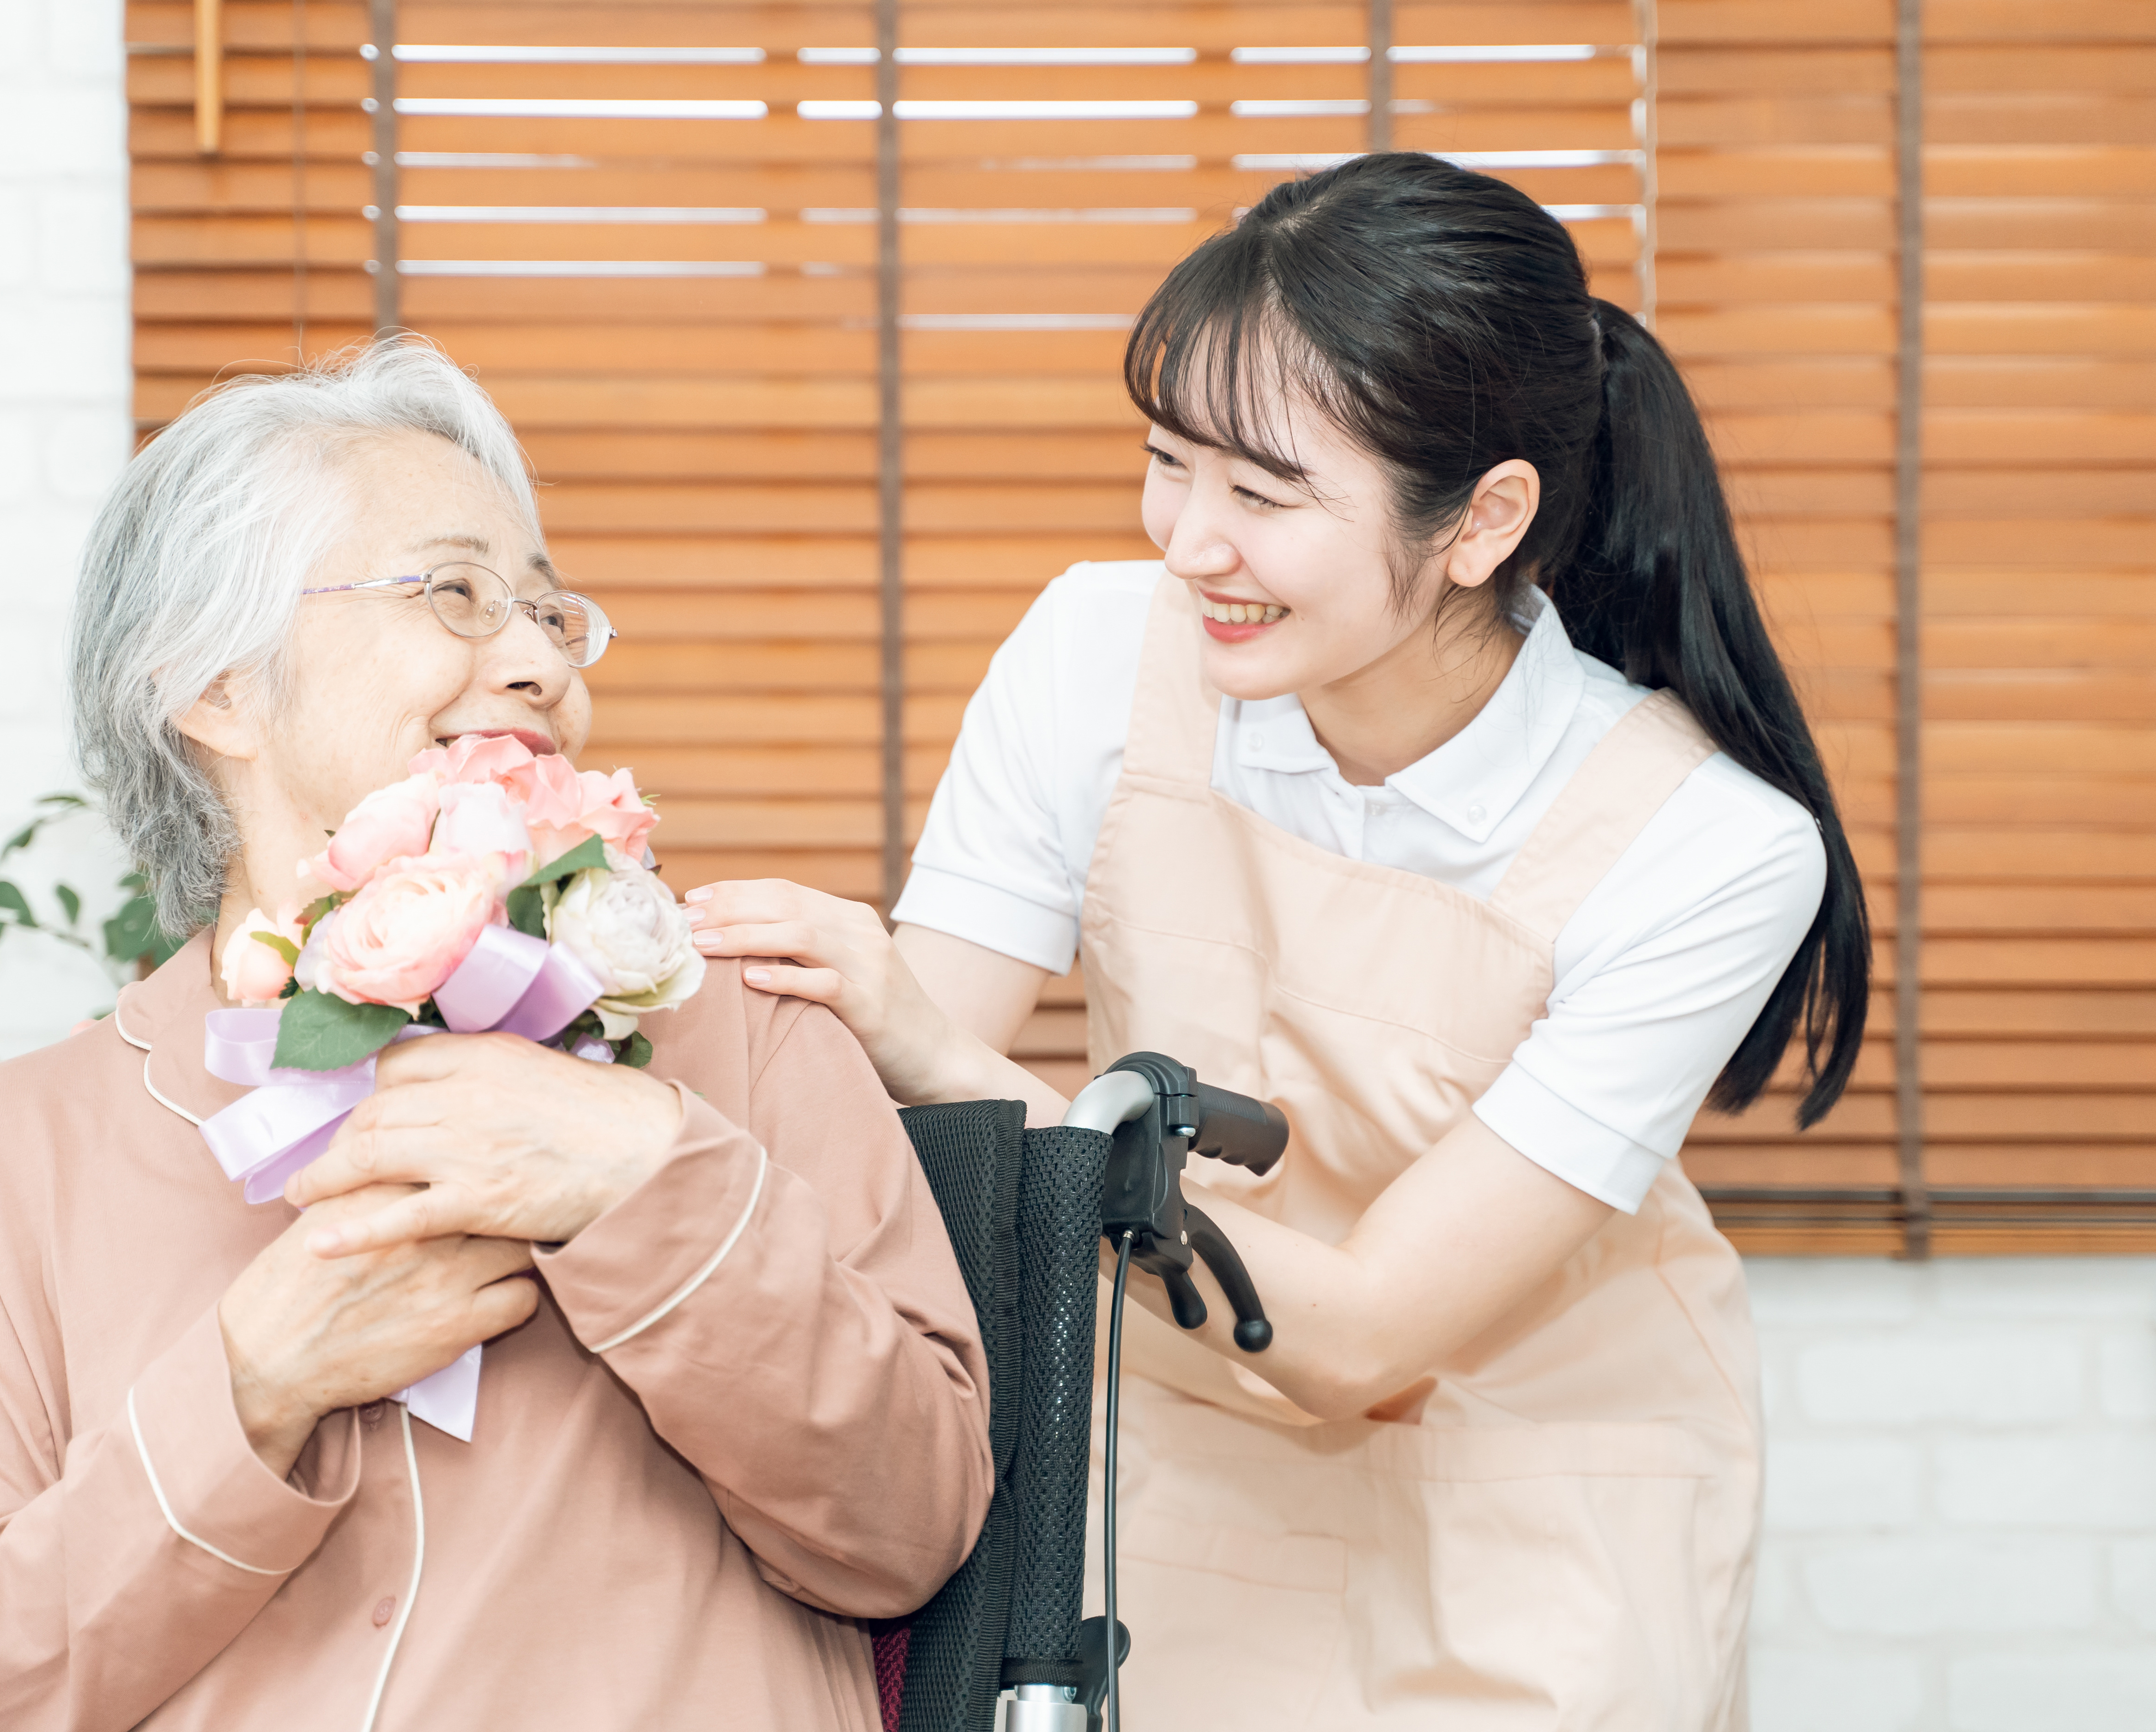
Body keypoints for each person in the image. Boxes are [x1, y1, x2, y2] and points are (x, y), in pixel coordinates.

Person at [686, 152, 1870, 1726]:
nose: (1188, 541)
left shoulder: (1710, 848)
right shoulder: (1095, 653)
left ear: (1481, 519)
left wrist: (934, 1050)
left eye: (1261, 492)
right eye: (1170, 461)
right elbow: (892, 1102)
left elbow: (1372, 1329)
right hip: (1163, 1447)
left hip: (1547, 1480)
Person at [0, 341, 991, 1732]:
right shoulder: (5, 1157)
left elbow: (906, 1529)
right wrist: (252, 1388)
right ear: (215, 686)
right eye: (454, 594)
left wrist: (649, 1188)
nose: (539, 663)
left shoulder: (745, 1031)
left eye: (551, 617)